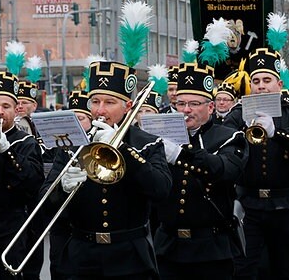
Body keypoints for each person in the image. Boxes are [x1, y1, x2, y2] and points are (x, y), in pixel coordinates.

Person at [46, 59, 172, 279]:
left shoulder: (148, 142)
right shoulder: (73, 144)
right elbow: (45, 204)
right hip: (81, 256)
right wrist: (62, 187)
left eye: (110, 102)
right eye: (95, 101)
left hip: (131, 257)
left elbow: (161, 189)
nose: (100, 110)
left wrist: (122, 150)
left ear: (128, 106)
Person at [224, 48, 289, 280]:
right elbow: (222, 145)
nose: (261, 86)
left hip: (287, 205)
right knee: (245, 268)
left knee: (287, 268)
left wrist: (277, 133)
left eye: (267, 80)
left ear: (279, 84)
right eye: (256, 81)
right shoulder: (238, 114)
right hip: (249, 204)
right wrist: (240, 130)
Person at [154, 61, 248, 279]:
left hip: (211, 248)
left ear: (211, 107)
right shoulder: (161, 137)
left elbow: (225, 170)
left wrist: (182, 154)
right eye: (180, 104)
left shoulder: (229, 136)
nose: (186, 110)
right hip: (168, 245)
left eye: (194, 104)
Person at [0, 71, 45, 280]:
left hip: (11, 225)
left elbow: (32, 181)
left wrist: (7, 152)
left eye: (6, 107)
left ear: (15, 110)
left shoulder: (25, 142)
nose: (0, 112)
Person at [41, 90, 92, 280]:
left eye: (81, 118)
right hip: (65, 236)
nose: (77, 124)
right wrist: (62, 187)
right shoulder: (63, 150)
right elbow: (44, 197)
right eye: (72, 119)